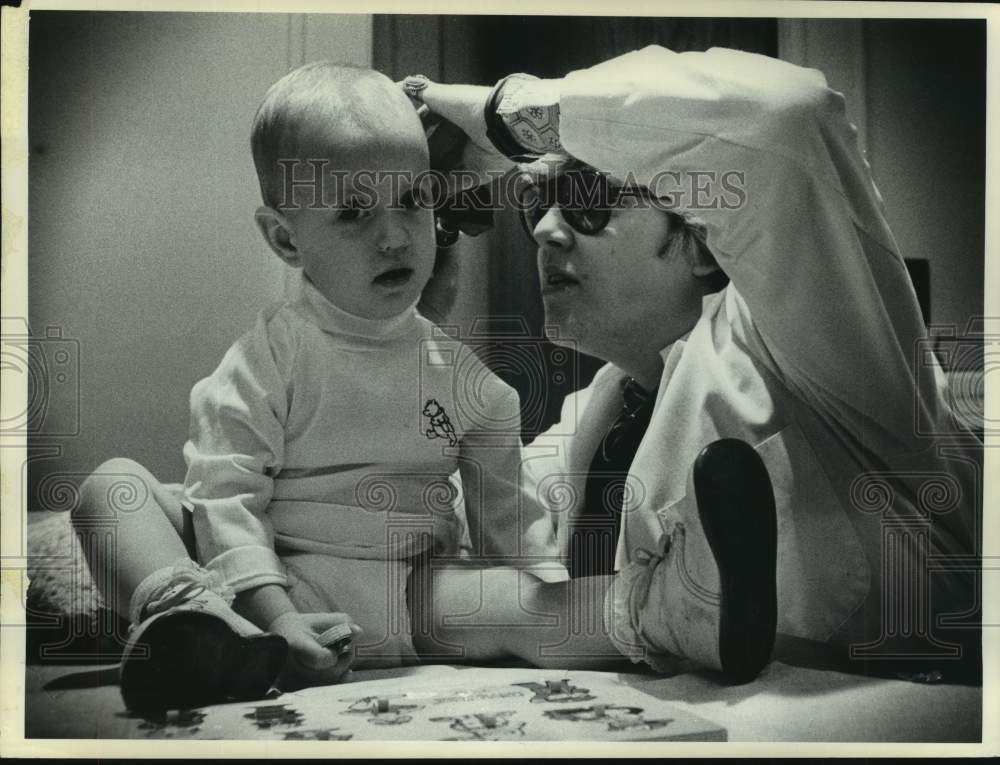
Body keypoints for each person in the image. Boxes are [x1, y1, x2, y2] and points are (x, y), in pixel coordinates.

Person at [402, 45, 981, 678]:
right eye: (538, 204)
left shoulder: (818, 352)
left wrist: (506, 121)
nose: (545, 230)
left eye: (588, 196)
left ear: (703, 244)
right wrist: (408, 321)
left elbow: (785, 116)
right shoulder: (595, 418)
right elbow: (408, 550)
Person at [72, 61, 552, 712]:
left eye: (411, 201)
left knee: (519, 596)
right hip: (267, 588)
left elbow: (514, 530)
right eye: (353, 212)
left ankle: (646, 615)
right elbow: (225, 493)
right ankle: (190, 619)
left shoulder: (471, 383)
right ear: (284, 238)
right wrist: (275, 615)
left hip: (407, 595)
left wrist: (537, 593)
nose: (392, 235)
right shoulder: (267, 359)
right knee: (109, 488)